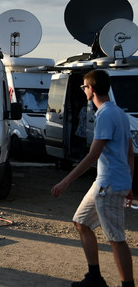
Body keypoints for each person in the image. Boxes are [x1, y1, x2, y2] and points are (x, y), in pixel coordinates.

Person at [51, 70, 134, 287]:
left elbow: (93, 155)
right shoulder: (119, 113)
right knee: (81, 222)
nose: (83, 90)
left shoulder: (106, 115)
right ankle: (94, 278)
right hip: (107, 182)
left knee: (116, 239)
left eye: (84, 87)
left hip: (109, 184)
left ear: (92, 89)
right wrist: (130, 182)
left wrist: (65, 181)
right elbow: (129, 152)